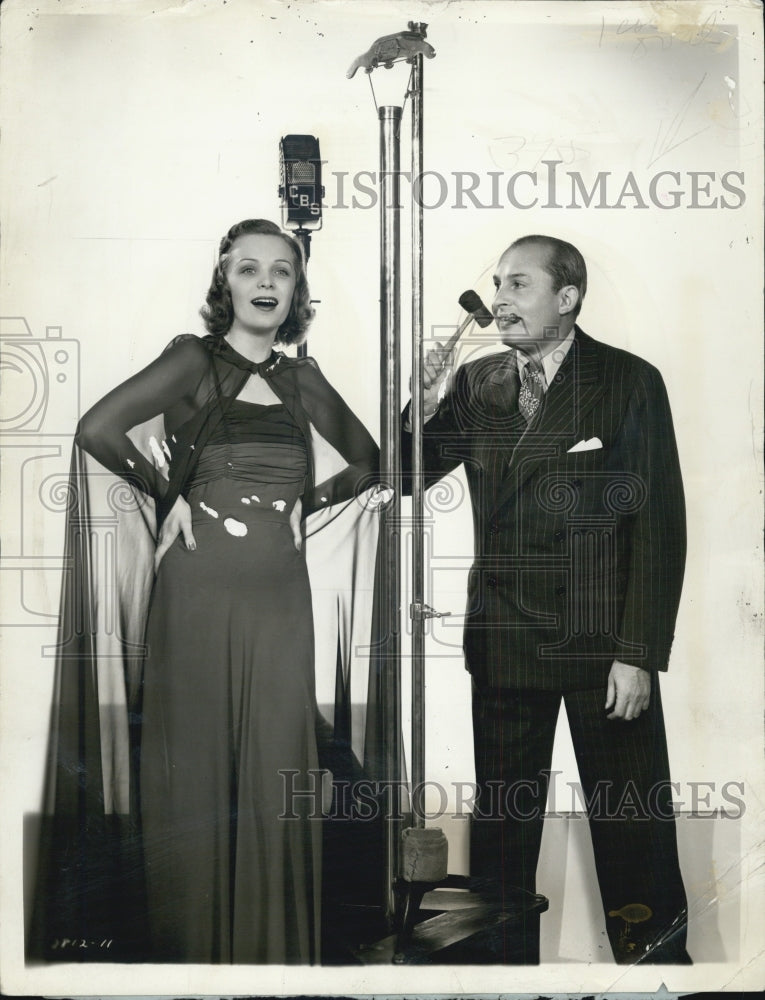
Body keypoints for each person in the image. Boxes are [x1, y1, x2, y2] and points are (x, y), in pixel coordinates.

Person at [35, 219, 379, 964]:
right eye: (248, 269)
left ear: (297, 290)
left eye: (280, 271)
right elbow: (98, 429)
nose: (264, 283)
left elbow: (368, 461)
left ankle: (269, 951)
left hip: (279, 600)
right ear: (224, 284)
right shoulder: (192, 360)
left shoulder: (303, 379)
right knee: (193, 768)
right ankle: (193, 953)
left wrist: (307, 504)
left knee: (274, 761)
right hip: (195, 593)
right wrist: (170, 494)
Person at [402, 235, 690, 964]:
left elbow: (659, 526)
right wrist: (421, 396)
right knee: (501, 838)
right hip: (503, 638)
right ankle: (500, 976)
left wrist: (638, 653)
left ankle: (656, 972)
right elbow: (404, 474)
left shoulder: (627, 380)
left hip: (600, 648)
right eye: (496, 284)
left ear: (566, 298)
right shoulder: (476, 381)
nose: (498, 299)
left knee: (633, 829)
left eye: (518, 285)